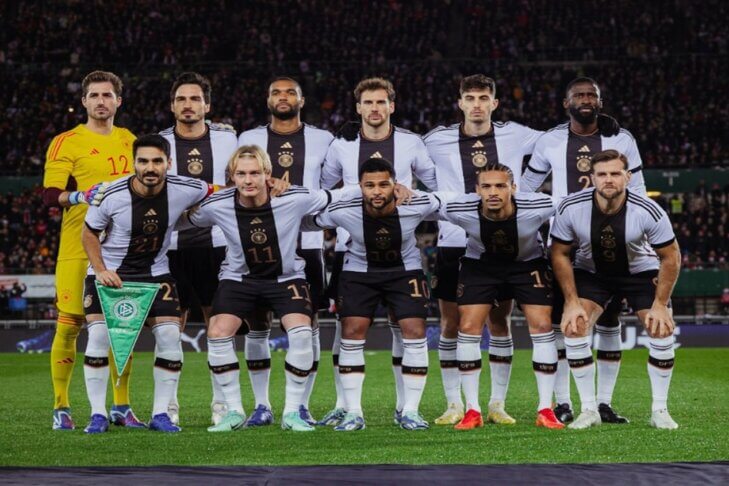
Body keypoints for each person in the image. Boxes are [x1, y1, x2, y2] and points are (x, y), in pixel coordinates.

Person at [179, 145, 358, 433]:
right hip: (239, 279)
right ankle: (235, 411)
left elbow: (335, 195)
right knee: (217, 332)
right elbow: (181, 220)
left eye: (254, 173)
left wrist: (388, 187)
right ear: (232, 176)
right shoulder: (217, 204)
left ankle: (292, 412)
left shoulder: (294, 197)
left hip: (286, 278)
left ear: (268, 174)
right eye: (241, 174)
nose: (248, 180)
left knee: (301, 333)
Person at [521, 77, 645, 425]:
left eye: (592, 95)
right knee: (564, 322)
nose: (586, 100)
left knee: (609, 320)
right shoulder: (550, 140)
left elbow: (638, 188)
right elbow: (527, 189)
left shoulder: (621, 139)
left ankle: (603, 404)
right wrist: (548, 217)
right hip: (565, 243)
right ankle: (563, 402)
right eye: (579, 95)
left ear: (600, 102)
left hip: (612, 242)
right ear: (567, 103)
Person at [423, 74, 544, 425]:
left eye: (483, 98)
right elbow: (400, 152)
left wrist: (525, 191)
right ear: (460, 103)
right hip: (453, 241)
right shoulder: (435, 139)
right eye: (470, 98)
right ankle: (454, 404)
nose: (476, 104)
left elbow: (556, 142)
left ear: (495, 103)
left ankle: (497, 404)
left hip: (501, 243)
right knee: (451, 323)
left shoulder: (516, 134)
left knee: (499, 321)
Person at [318, 77, 437, 427]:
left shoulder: (411, 142)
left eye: (381, 102)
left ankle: (406, 408)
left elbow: (435, 185)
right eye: (368, 103)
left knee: (406, 327)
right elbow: (323, 190)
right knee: (346, 328)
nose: (374, 108)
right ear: (358, 108)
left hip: (401, 249)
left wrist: (410, 192)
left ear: (391, 106)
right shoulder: (341, 144)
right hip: (351, 249)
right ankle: (344, 405)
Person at [81, 134, 213, 433]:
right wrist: (100, 270)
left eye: (156, 161)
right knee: (99, 337)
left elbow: (216, 191)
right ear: (134, 163)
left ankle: (160, 414)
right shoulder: (111, 195)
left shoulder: (187, 187)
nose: (150, 168)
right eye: (143, 161)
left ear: (169, 163)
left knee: (169, 336)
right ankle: (97, 414)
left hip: (156, 273)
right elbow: (88, 233)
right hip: (111, 273)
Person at [309, 158, 443, 431]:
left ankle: (410, 411)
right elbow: (305, 220)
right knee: (351, 332)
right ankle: (353, 412)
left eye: (384, 184)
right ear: (360, 187)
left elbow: (451, 203)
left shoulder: (416, 203)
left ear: (396, 184)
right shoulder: (343, 209)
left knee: (414, 331)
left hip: (405, 272)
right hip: (359, 273)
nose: (377, 191)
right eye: (369, 185)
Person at [550, 150, 681, 430]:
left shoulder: (648, 210)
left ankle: (660, 410)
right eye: (602, 174)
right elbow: (559, 253)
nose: (608, 179)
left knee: (660, 328)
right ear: (592, 177)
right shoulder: (570, 207)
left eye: (615, 173)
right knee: (574, 326)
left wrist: (660, 305)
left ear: (628, 177)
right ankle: (589, 410)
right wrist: (571, 301)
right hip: (592, 273)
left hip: (639, 272)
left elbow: (671, 257)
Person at [43, 70, 141, 430]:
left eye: (108, 95)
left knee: (121, 328)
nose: (101, 101)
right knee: (69, 326)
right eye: (95, 95)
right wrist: (79, 196)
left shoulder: (131, 140)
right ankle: (61, 406)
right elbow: (49, 195)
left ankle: (121, 406)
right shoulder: (66, 141)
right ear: (84, 101)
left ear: (119, 101)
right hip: (77, 247)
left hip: (121, 249)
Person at [237, 77, 334, 427]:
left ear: (301, 100)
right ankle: (261, 405)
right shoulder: (248, 138)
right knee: (257, 323)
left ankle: (302, 405)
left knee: (309, 324)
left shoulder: (324, 140)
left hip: (307, 245)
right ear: (267, 99)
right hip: (256, 244)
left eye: (290, 92)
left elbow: (329, 190)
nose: (283, 97)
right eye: (276, 92)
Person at [438, 162, 563, 430]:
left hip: (527, 265)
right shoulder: (459, 208)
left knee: (542, 325)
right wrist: (403, 193)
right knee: (468, 327)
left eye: (500, 186)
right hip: (480, 266)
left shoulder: (538, 205)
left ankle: (544, 409)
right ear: (476, 190)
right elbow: (425, 205)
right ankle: (473, 410)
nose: (493, 192)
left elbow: (573, 204)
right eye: (486, 186)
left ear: (513, 188)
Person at [160, 72, 238, 426]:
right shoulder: (160, 143)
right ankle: (167, 407)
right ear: (172, 106)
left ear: (207, 105)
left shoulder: (228, 139)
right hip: (171, 248)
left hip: (217, 246)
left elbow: (239, 180)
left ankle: (222, 405)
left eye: (195, 99)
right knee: (169, 329)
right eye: (181, 99)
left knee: (218, 326)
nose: (188, 105)